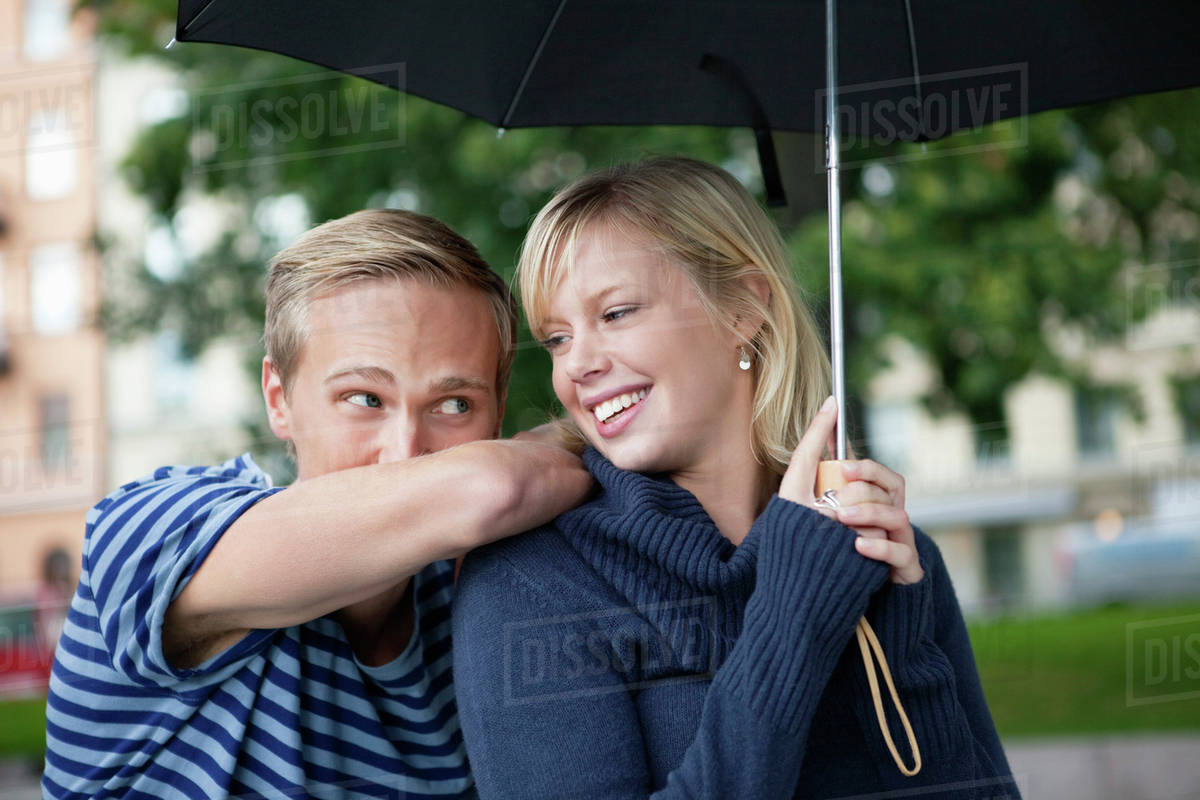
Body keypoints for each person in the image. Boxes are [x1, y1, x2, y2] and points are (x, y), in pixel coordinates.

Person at [452, 157, 1020, 798]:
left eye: (615, 314)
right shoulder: (530, 586)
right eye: (555, 338)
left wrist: (902, 639)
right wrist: (792, 615)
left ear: (743, 308)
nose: (576, 365)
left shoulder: (882, 551)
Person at [43, 209, 592, 799]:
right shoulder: (149, 529)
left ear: (498, 408)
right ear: (278, 399)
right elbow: (490, 488)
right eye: (364, 398)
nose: (405, 452)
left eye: (454, 404)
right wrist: (575, 441)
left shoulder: (479, 598)